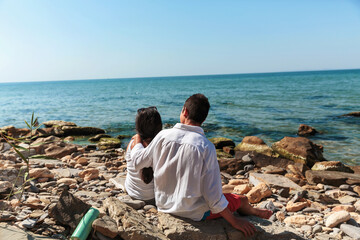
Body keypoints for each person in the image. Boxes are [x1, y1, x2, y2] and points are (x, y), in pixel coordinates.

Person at [129, 94, 272, 237]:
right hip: (194, 213)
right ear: (204, 119)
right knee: (241, 199)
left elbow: (137, 162)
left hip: (164, 205)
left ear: (184, 111)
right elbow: (214, 198)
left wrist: (138, 140)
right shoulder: (206, 147)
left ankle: (250, 210)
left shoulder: (162, 136)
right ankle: (253, 211)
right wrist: (234, 221)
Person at [124, 106, 162, 202]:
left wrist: (138, 137)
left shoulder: (133, 144)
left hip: (133, 192)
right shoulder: (163, 147)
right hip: (154, 197)